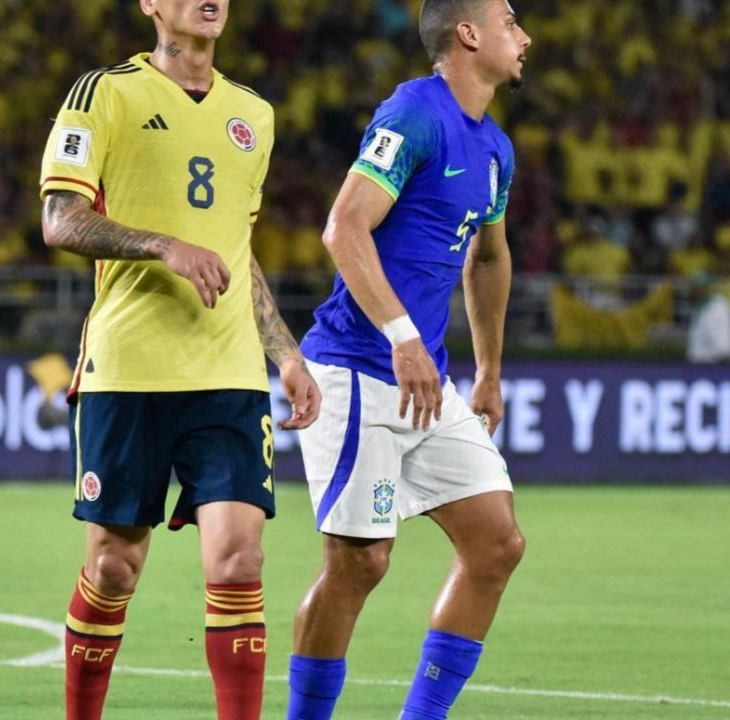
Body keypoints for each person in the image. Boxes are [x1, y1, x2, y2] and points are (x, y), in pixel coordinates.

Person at [38, 2, 321, 719]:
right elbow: (60, 219)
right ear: (151, 4)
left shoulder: (254, 114)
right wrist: (162, 244)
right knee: (113, 567)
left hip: (228, 373)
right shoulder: (103, 93)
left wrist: (284, 351)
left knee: (240, 560)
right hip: (128, 370)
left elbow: (234, 249)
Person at [286, 1, 531, 719]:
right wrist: (403, 336)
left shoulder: (496, 149)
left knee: (497, 544)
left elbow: (489, 257)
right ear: (468, 34)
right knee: (360, 563)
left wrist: (489, 371)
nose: (524, 36)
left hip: (425, 378)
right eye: (510, 21)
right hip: (357, 368)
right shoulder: (415, 113)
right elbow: (344, 226)